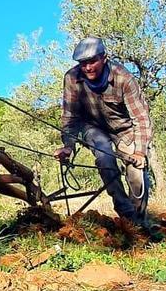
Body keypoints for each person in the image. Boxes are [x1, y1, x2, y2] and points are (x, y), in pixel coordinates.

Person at [54, 37, 152, 224]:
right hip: (93, 128)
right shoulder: (71, 78)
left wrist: (140, 152)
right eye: (83, 63)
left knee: (136, 170)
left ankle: (140, 222)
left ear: (104, 58)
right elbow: (70, 116)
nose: (87, 67)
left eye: (92, 62)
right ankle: (126, 217)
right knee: (105, 158)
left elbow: (140, 118)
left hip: (125, 129)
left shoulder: (124, 78)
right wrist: (68, 146)